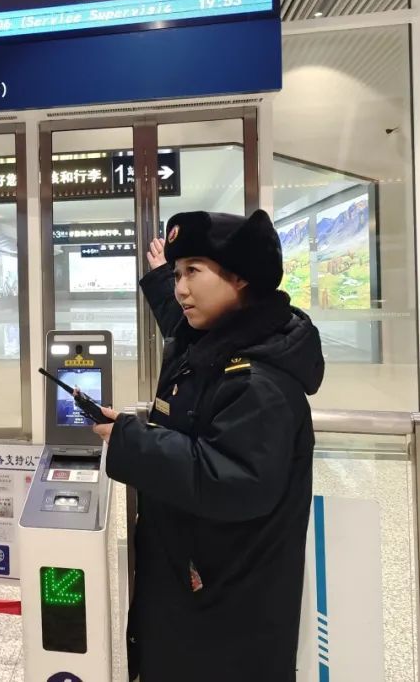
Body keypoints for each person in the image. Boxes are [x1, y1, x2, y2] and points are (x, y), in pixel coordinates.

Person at [91, 210, 324, 682]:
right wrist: (164, 276)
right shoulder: (214, 340)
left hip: (226, 611)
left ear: (241, 277)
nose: (181, 289)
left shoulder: (258, 383)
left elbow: (232, 479)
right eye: (177, 274)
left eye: (193, 271)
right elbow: (180, 326)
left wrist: (129, 441)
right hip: (194, 586)